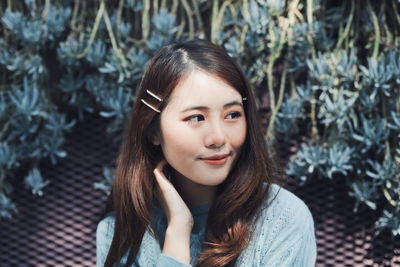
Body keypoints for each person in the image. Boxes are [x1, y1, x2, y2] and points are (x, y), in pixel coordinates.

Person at [96, 39, 317, 267]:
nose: (218, 138)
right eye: (196, 118)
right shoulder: (119, 232)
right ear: (153, 130)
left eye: (232, 115)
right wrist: (178, 231)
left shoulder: (284, 218)